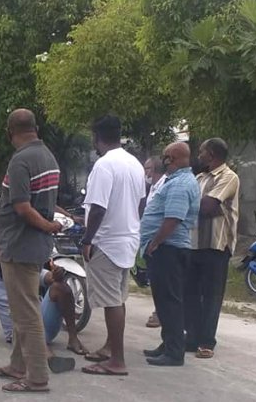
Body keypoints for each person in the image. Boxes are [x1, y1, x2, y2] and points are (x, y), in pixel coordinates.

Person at [0, 109, 70, 393]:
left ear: (10, 132)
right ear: (35, 128)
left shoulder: (21, 160)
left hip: (21, 245)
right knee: (25, 306)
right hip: (33, 245)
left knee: (26, 314)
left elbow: (22, 207)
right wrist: (47, 227)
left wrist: (47, 226)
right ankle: (17, 365)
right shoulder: (48, 157)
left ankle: (36, 377)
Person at [78, 115, 146, 377]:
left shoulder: (104, 165)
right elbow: (140, 203)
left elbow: (97, 208)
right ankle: (110, 347)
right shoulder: (135, 164)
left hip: (106, 241)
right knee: (118, 298)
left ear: (97, 137)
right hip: (128, 239)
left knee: (111, 302)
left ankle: (117, 361)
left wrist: (87, 239)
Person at [139, 142, 200, 367]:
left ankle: (175, 352)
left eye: (165, 157)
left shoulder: (180, 184)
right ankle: (168, 344)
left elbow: (173, 218)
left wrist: (154, 243)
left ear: (173, 158)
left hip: (169, 249)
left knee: (170, 301)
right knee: (164, 301)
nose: (163, 161)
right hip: (166, 248)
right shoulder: (176, 181)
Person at [0, 254, 84, 358]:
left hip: (42, 324)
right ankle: (46, 355)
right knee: (19, 308)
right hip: (17, 332)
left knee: (60, 287)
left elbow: (47, 277)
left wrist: (56, 275)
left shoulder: (25, 268)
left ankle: (73, 339)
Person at [184, 138, 240, 359]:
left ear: (213, 154)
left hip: (217, 245)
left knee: (211, 295)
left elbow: (208, 206)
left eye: (202, 152)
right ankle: (193, 337)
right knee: (190, 293)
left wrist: (191, 206)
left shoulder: (229, 177)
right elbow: (202, 207)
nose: (199, 156)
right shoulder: (199, 178)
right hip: (194, 242)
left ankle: (207, 341)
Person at [143, 156, 166, 328]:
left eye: (147, 169)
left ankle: (161, 313)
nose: (145, 173)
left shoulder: (164, 186)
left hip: (160, 241)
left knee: (162, 281)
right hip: (149, 240)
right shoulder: (151, 188)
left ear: (155, 170)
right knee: (154, 280)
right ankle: (159, 310)